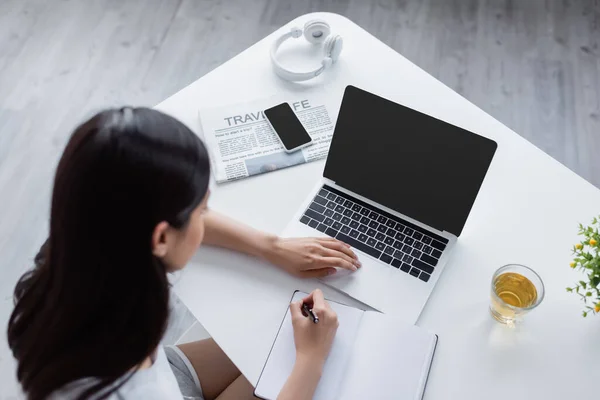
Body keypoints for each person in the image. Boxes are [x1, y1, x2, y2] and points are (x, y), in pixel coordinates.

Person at [6, 108, 361, 400]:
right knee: (316, 364)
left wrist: (270, 246)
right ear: (160, 237)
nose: (205, 219)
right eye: (200, 210)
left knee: (276, 341)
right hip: (159, 389)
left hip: (167, 373)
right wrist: (310, 362)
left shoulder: (75, 256)